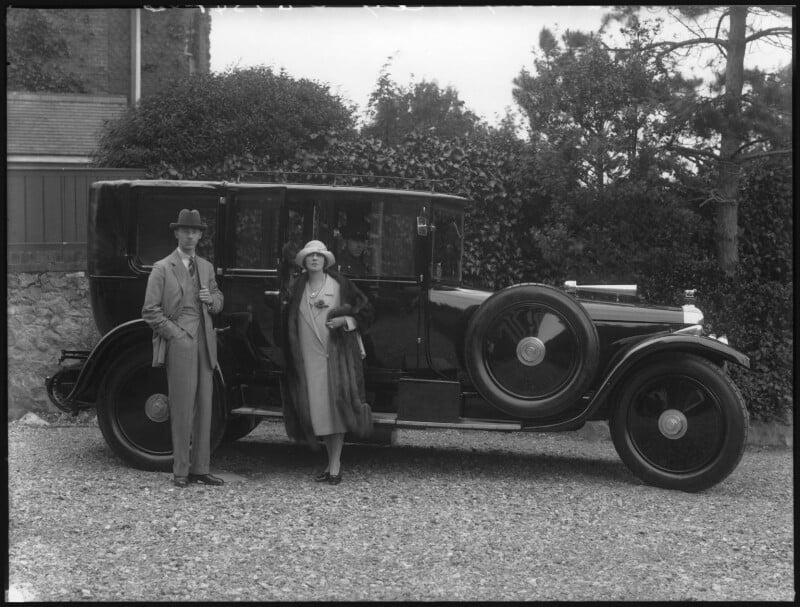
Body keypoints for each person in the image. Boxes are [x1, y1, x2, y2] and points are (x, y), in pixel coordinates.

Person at [142, 209, 225, 488]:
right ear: (176, 233)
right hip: (181, 341)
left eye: (195, 231)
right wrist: (175, 335)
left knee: (205, 406)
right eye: (185, 231)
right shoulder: (162, 267)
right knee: (181, 406)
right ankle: (180, 471)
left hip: (206, 342)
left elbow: (219, 300)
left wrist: (211, 299)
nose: (190, 235)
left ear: (200, 235)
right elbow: (150, 311)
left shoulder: (206, 267)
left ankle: (201, 468)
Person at [283, 240, 373, 485]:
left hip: (336, 358)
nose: (314, 259)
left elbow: (366, 312)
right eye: (310, 256)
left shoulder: (340, 285)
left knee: (338, 411)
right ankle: (330, 461)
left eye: (319, 256)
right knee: (319, 412)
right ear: (304, 261)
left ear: (325, 261)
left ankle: (335, 465)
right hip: (307, 359)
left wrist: (346, 321)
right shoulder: (295, 289)